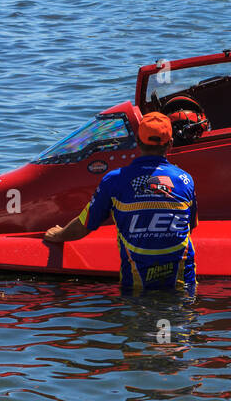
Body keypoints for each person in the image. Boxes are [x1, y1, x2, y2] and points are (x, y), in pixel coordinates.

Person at [43, 112, 197, 293]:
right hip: (183, 288)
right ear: (170, 144)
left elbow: (84, 225)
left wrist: (59, 235)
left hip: (136, 291)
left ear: (137, 143)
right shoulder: (185, 180)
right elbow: (191, 225)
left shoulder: (114, 180)